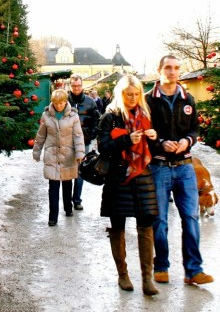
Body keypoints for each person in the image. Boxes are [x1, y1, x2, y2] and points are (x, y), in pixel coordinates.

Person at [144, 55, 214, 286]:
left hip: (185, 167)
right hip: (159, 167)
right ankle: (161, 266)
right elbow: (144, 132)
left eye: (176, 68)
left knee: (191, 217)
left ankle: (193, 270)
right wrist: (160, 143)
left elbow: (194, 129)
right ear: (159, 70)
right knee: (160, 220)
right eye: (167, 68)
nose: (172, 72)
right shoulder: (148, 101)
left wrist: (187, 141)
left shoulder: (188, 99)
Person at [97, 74, 160, 295]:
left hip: (142, 175)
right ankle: (123, 275)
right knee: (118, 227)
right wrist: (126, 140)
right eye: (129, 94)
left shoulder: (146, 115)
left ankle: (147, 279)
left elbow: (156, 150)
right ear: (120, 94)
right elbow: (103, 146)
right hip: (118, 176)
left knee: (146, 225)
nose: (133, 98)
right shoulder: (110, 117)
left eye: (136, 94)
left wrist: (154, 139)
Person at [33, 88, 85, 226]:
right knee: (53, 187)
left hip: (68, 155)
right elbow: (41, 135)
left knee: (67, 185)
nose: (59, 106)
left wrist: (80, 153)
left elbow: (78, 135)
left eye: (61, 103)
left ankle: (68, 208)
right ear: (53, 102)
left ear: (65, 101)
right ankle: (53, 217)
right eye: (56, 103)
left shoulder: (73, 116)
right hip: (52, 155)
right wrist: (36, 151)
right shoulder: (46, 116)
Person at [68, 74, 102, 210]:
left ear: (82, 86)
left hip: (84, 141)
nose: (76, 88)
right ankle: (66, 200)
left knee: (80, 171)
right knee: (66, 171)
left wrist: (91, 134)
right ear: (70, 86)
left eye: (79, 85)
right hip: (67, 141)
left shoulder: (90, 101)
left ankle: (77, 199)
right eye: (74, 86)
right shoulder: (65, 100)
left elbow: (97, 119)